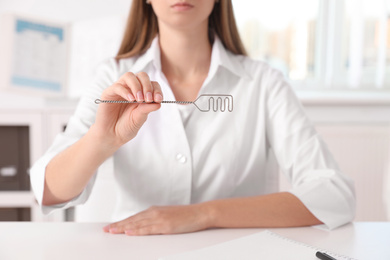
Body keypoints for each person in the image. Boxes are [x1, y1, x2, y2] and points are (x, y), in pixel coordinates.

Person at [30, 0, 355, 235]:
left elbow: (333, 194)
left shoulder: (262, 83)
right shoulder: (113, 76)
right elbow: (47, 191)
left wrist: (204, 214)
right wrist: (100, 141)